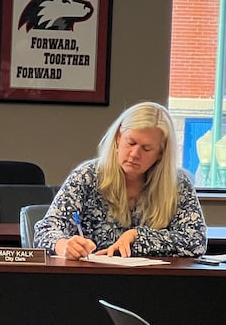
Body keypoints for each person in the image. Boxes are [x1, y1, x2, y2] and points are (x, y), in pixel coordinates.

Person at [33, 101, 206, 259]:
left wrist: (137, 236)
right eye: (131, 143)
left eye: (146, 149)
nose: (135, 154)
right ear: (118, 137)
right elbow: (46, 230)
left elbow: (196, 241)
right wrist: (63, 245)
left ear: (161, 153)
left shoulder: (177, 184)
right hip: (90, 281)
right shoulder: (88, 176)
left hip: (153, 284)